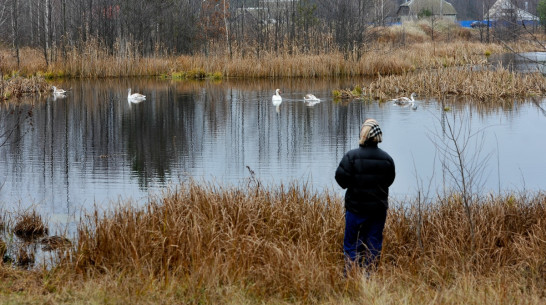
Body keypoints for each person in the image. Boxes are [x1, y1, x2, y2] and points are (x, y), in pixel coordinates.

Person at [335, 118, 395, 272]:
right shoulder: (387, 160)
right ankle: (369, 277)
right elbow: (389, 181)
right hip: (377, 211)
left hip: (355, 209)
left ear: (363, 134)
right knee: (373, 244)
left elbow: (341, 181)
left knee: (351, 244)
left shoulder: (351, 157)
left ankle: (351, 275)